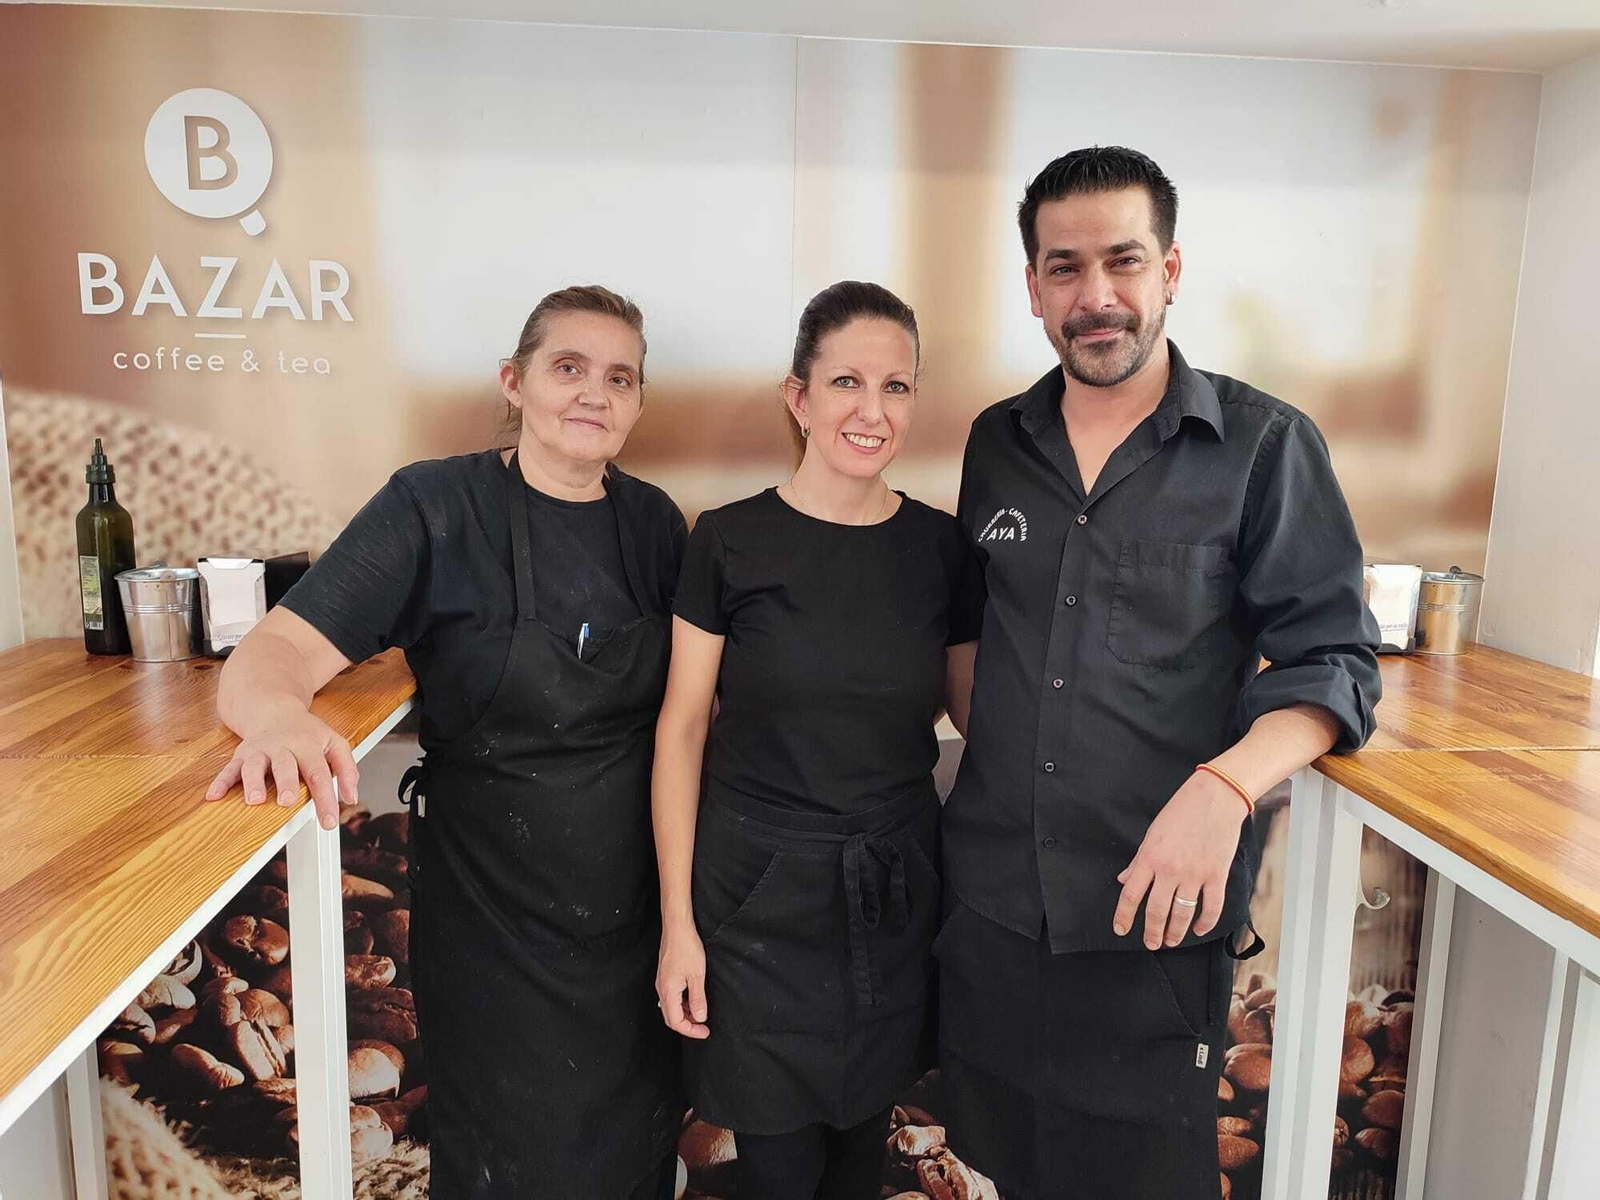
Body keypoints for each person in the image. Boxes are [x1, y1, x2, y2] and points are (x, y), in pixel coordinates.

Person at [937, 147, 1384, 1198]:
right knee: (998, 1167)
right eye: (1063, 268)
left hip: (1153, 917)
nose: (1095, 297)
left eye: (1122, 261)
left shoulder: (1262, 447)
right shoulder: (995, 444)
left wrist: (1222, 787)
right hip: (994, 910)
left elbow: (1335, 662)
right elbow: (971, 634)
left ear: (1170, 270)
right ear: (1034, 286)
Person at [205, 285, 687, 1199]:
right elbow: (274, 651)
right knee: (505, 1155)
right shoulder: (433, 507)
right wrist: (277, 719)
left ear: (636, 402)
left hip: (632, 909)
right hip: (493, 911)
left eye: (619, 377)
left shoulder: (656, 523)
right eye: (569, 368)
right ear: (515, 381)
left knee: (631, 1148)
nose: (595, 393)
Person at [652, 281, 981, 1200]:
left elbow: (978, 720)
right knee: (780, 1166)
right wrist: (679, 926)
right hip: (755, 901)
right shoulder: (728, 541)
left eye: (897, 387)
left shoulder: (940, 550)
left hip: (893, 888)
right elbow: (681, 732)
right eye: (845, 382)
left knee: (858, 1157)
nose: (872, 412)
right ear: (798, 397)